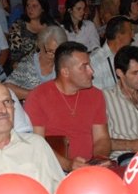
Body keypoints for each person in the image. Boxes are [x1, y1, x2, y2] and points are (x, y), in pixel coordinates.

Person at [25, 41, 111, 171]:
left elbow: (101, 138)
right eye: (84, 67)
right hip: (53, 169)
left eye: (90, 65)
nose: (91, 71)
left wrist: (97, 161)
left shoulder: (95, 95)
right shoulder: (38, 97)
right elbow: (37, 144)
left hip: (89, 168)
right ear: (65, 72)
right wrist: (68, 165)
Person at [6, 25, 67, 99]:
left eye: (57, 52)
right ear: (40, 45)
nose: (53, 55)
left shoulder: (64, 65)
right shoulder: (28, 63)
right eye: (49, 51)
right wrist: (36, 95)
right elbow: (7, 87)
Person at [8, 0, 54, 65]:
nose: (30, 9)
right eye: (28, 6)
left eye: (34, 6)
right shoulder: (18, 26)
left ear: (43, 8)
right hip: (23, 65)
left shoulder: (51, 26)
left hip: (49, 64)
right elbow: (15, 55)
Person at [90, 16, 134, 91]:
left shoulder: (130, 55)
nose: (133, 35)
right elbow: (96, 94)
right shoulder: (95, 61)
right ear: (119, 36)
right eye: (130, 32)